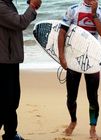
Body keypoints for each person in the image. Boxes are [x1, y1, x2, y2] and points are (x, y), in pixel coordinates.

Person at [58, 0, 101, 139]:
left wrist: (94, 14)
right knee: (71, 97)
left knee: (93, 97)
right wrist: (62, 57)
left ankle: (93, 129)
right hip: (74, 58)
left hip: (93, 60)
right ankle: (73, 121)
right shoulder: (73, 9)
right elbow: (62, 32)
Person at [0, 0, 41, 139]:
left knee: (11, 100)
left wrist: (32, 7)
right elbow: (20, 23)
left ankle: (11, 133)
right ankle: (10, 135)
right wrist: (32, 7)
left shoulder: (7, 3)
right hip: (3, 62)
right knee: (7, 101)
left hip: (9, 59)